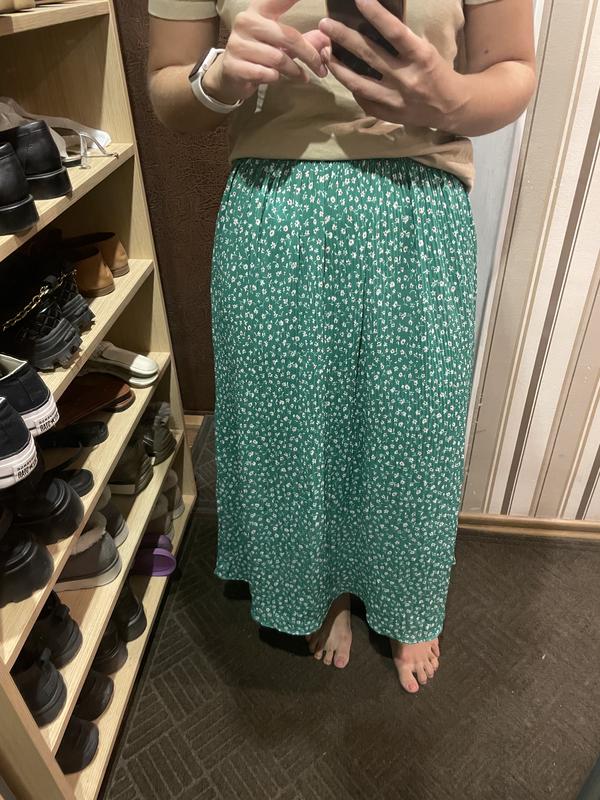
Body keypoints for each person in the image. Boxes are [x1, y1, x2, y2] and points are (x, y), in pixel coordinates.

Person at [147, 0, 536, 694]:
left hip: (417, 211)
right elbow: (167, 89)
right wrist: (221, 75)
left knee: (412, 437)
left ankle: (404, 595)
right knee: (290, 435)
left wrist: (450, 98)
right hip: (275, 213)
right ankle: (317, 586)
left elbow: (512, 68)